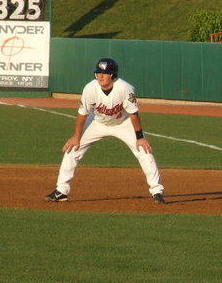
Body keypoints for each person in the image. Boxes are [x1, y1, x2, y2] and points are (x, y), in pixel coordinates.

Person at [45, 58, 165, 203]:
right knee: (72, 149)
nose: (100, 76)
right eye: (98, 73)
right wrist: (76, 136)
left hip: (123, 122)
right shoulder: (90, 88)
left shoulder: (125, 88)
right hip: (97, 122)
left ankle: (157, 191)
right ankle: (61, 191)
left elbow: (133, 113)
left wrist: (140, 137)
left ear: (112, 75)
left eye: (105, 73)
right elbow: (82, 114)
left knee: (144, 151)